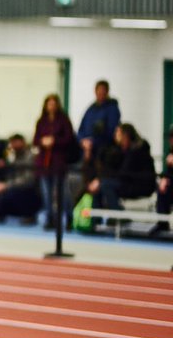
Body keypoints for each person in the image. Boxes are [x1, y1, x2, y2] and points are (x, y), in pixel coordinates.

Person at [85, 123, 156, 212]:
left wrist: (100, 181)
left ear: (125, 136)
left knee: (106, 185)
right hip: (128, 182)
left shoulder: (137, 151)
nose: (115, 136)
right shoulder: (121, 150)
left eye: (118, 133)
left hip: (140, 185)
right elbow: (113, 169)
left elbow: (124, 173)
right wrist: (99, 180)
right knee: (99, 187)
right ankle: (96, 218)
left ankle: (118, 215)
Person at [32, 94, 76, 230]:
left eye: (53, 104)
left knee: (63, 192)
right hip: (44, 163)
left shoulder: (64, 120)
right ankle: (49, 218)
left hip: (58, 161)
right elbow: (35, 140)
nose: (51, 106)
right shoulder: (41, 121)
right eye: (49, 104)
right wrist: (43, 141)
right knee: (47, 193)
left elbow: (69, 139)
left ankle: (69, 218)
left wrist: (54, 141)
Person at [77, 80, 121, 167]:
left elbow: (111, 131)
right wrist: (82, 141)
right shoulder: (90, 109)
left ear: (107, 91)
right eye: (99, 90)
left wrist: (92, 142)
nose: (100, 92)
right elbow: (81, 129)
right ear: (95, 91)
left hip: (102, 153)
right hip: (86, 151)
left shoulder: (112, 109)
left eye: (103, 90)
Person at [152, 125, 172, 235]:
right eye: (170, 137)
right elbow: (168, 173)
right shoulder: (170, 152)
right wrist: (164, 179)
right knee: (162, 188)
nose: (170, 140)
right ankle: (162, 224)